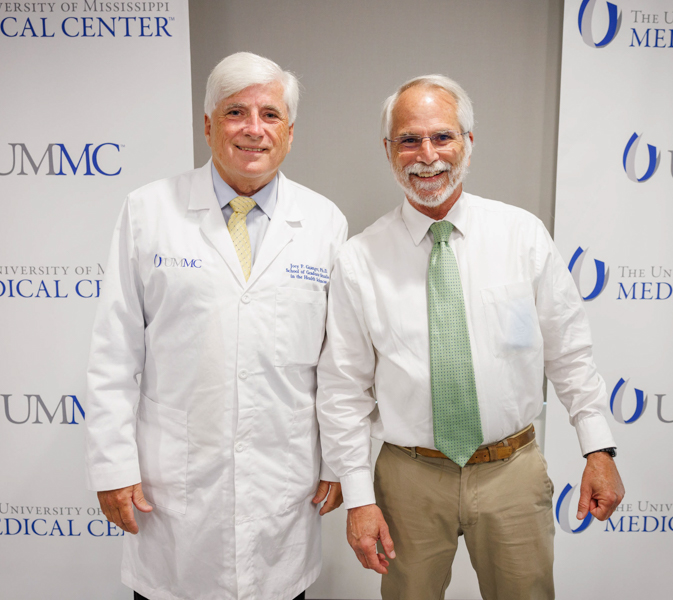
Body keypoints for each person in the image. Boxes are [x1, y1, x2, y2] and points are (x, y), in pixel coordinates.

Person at [316, 74, 624, 600]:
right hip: (408, 478)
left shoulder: (522, 236)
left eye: (443, 136)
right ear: (389, 151)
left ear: (469, 143)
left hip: (513, 471)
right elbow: (343, 389)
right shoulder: (359, 260)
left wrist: (599, 449)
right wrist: (362, 499)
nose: (427, 154)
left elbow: (569, 352)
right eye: (409, 139)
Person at [85, 52, 347, 600]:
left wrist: (340, 460)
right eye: (235, 112)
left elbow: (337, 362)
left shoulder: (324, 222)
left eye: (270, 115)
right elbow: (115, 351)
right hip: (175, 492)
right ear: (208, 125)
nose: (254, 129)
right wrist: (112, 466)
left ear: (290, 132)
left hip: (284, 484)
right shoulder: (148, 211)